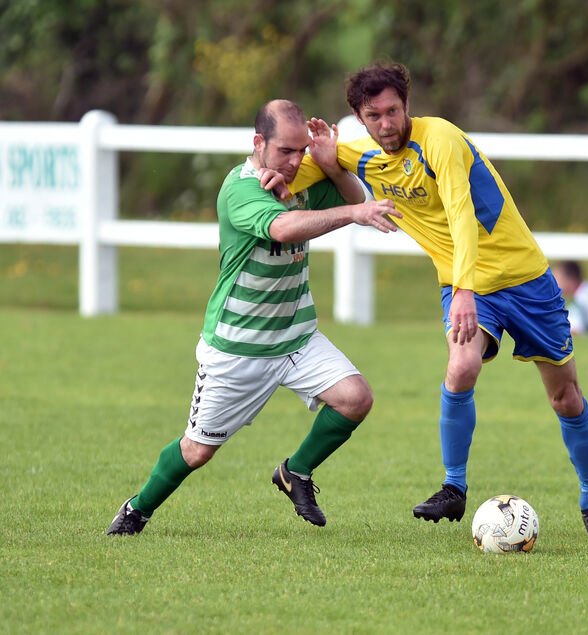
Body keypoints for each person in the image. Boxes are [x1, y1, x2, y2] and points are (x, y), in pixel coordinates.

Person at [279, 62, 588, 535]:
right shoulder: (362, 157)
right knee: (461, 367)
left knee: (565, 398)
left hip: (525, 282)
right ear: (358, 116)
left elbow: (461, 213)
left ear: (407, 106)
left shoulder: (440, 139)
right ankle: (453, 489)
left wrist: (465, 290)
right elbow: (289, 169)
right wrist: (268, 179)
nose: (386, 124)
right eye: (373, 116)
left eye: (393, 111)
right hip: (463, 284)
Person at [106, 99, 400, 534]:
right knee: (197, 452)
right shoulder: (240, 187)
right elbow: (285, 228)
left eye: (302, 150)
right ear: (259, 142)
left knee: (356, 399)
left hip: (296, 336)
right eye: (285, 151)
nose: (296, 161)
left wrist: (332, 166)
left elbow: (352, 196)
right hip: (239, 346)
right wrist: (351, 213)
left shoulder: (300, 178)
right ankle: (137, 510)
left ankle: (294, 472)